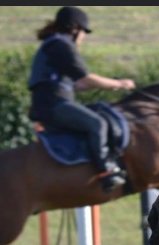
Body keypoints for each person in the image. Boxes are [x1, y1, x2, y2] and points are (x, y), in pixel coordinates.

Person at [28, 7, 136, 191]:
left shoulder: (53, 45)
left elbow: (79, 85)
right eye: (84, 32)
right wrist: (121, 84)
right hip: (54, 105)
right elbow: (86, 78)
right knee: (98, 124)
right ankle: (106, 172)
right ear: (74, 28)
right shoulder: (61, 45)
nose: (84, 37)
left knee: (97, 114)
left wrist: (111, 84)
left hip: (51, 103)